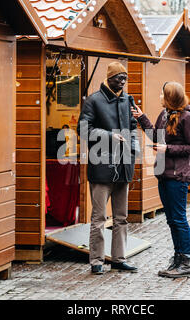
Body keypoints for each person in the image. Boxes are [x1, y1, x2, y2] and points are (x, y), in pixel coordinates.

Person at [131, 81, 190, 278]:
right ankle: (177, 258)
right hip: (164, 174)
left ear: (170, 96)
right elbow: (157, 136)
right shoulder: (165, 114)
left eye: (162, 94)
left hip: (178, 176)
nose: (160, 96)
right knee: (171, 220)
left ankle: (185, 262)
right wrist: (142, 118)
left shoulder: (187, 118)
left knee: (179, 219)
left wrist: (167, 149)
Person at [77, 62, 139, 275]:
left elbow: (132, 128)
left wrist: (132, 151)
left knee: (121, 217)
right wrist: (109, 136)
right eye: (118, 78)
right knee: (99, 218)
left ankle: (119, 259)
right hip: (102, 167)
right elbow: (84, 129)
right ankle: (96, 260)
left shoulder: (126, 99)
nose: (122, 82)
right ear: (109, 77)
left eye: (125, 78)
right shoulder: (94, 100)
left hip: (123, 167)